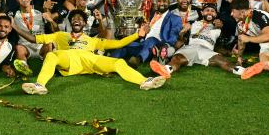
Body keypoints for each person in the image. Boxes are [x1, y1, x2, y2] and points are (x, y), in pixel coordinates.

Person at [14, 10, 166, 95]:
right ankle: (40, 85)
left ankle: (144, 82)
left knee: (118, 62)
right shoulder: (61, 35)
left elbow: (118, 43)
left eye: (80, 18)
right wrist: (14, 27)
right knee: (52, 55)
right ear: (70, 22)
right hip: (70, 58)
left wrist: (137, 35)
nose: (77, 20)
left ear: (85, 23)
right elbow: (33, 39)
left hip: (91, 60)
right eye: (73, 18)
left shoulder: (93, 40)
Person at [150, 4, 244, 78]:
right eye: (207, 10)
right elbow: (181, 37)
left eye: (212, 11)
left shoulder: (220, 27)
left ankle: (243, 71)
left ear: (216, 14)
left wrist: (230, 52)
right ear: (202, 13)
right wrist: (183, 31)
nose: (210, 13)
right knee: (177, 59)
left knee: (221, 61)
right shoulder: (193, 23)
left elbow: (219, 46)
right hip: (190, 47)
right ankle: (166, 70)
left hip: (206, 49)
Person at [110, 0, 182, 68]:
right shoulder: (150, 14)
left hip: (159, 45)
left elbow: (174, 34)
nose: (161, 3)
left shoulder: (175, 18)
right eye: (159, 1)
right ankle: (108, 61)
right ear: (156, 2)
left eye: (164, 1)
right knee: (125, 44)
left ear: (169, 3)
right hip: (143, 43)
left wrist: (167, 45)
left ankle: (138, 60)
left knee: (151, 40)